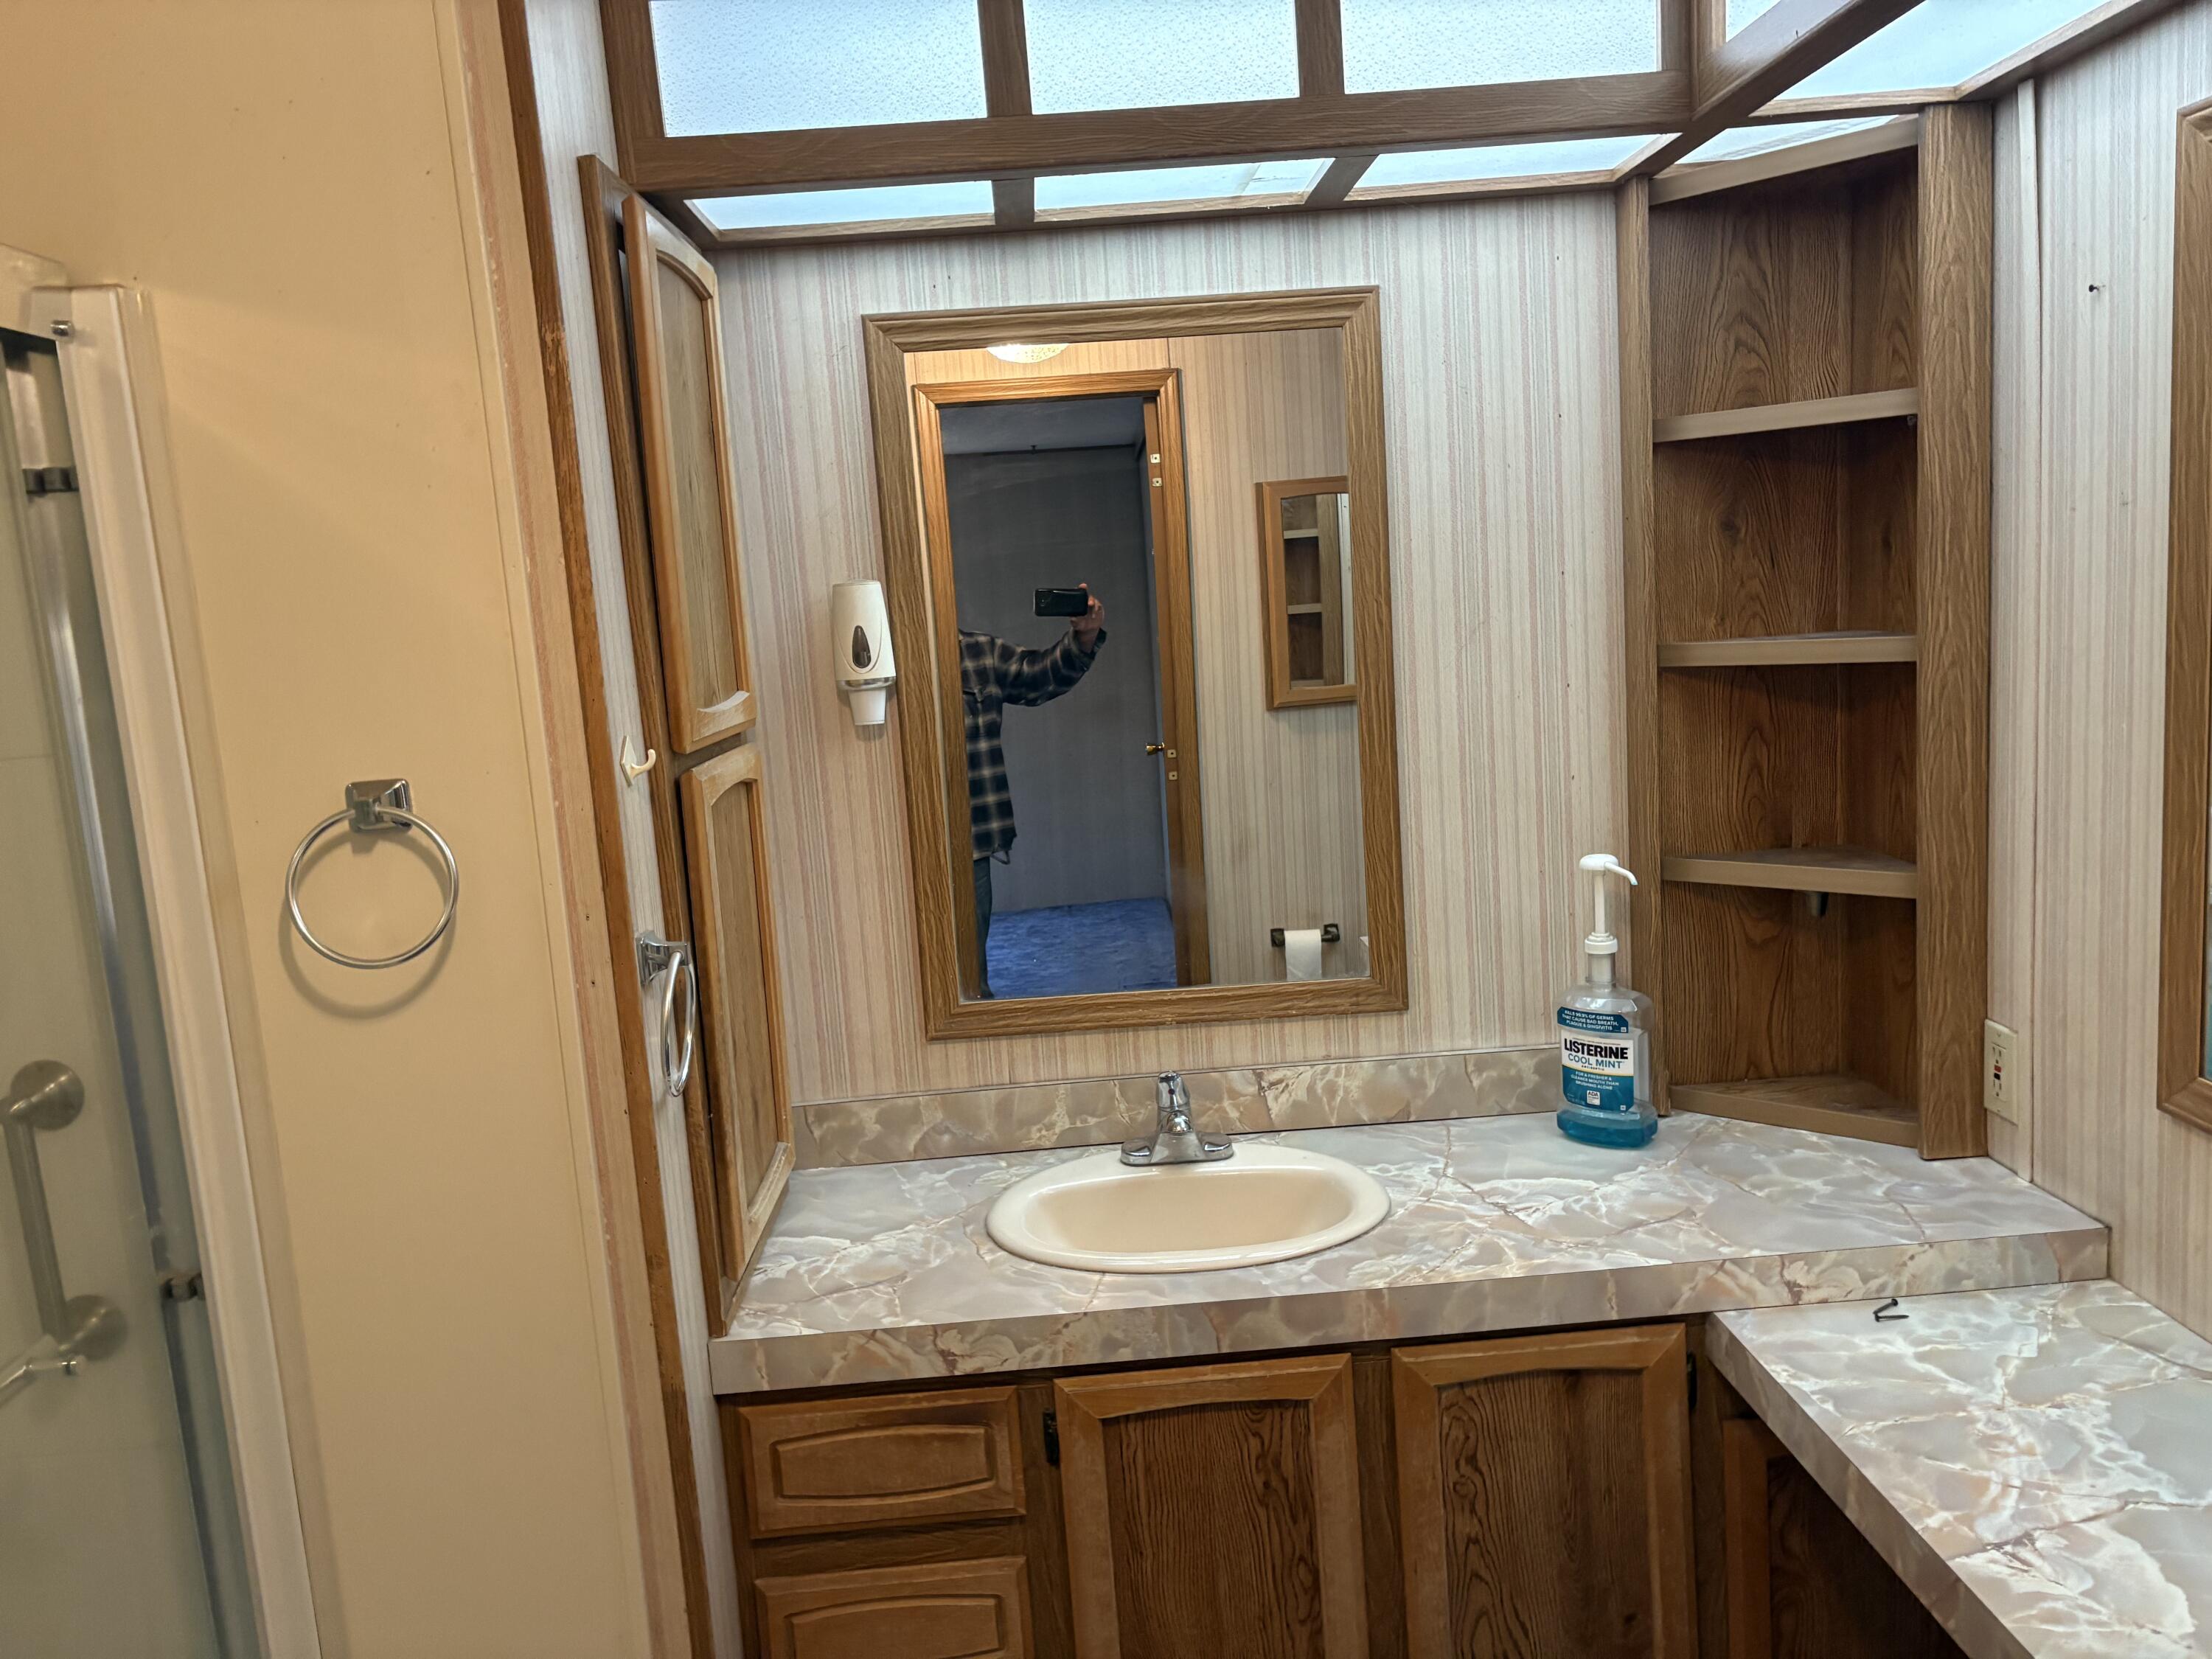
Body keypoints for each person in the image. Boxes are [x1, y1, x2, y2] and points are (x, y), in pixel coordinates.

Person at [961, 585, 1106, 997]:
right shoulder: (891, 662)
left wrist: (1084, 637)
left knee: (971, 977)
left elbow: (1039, 675)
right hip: (901, 843)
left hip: (970, 838)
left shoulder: (978, 654)